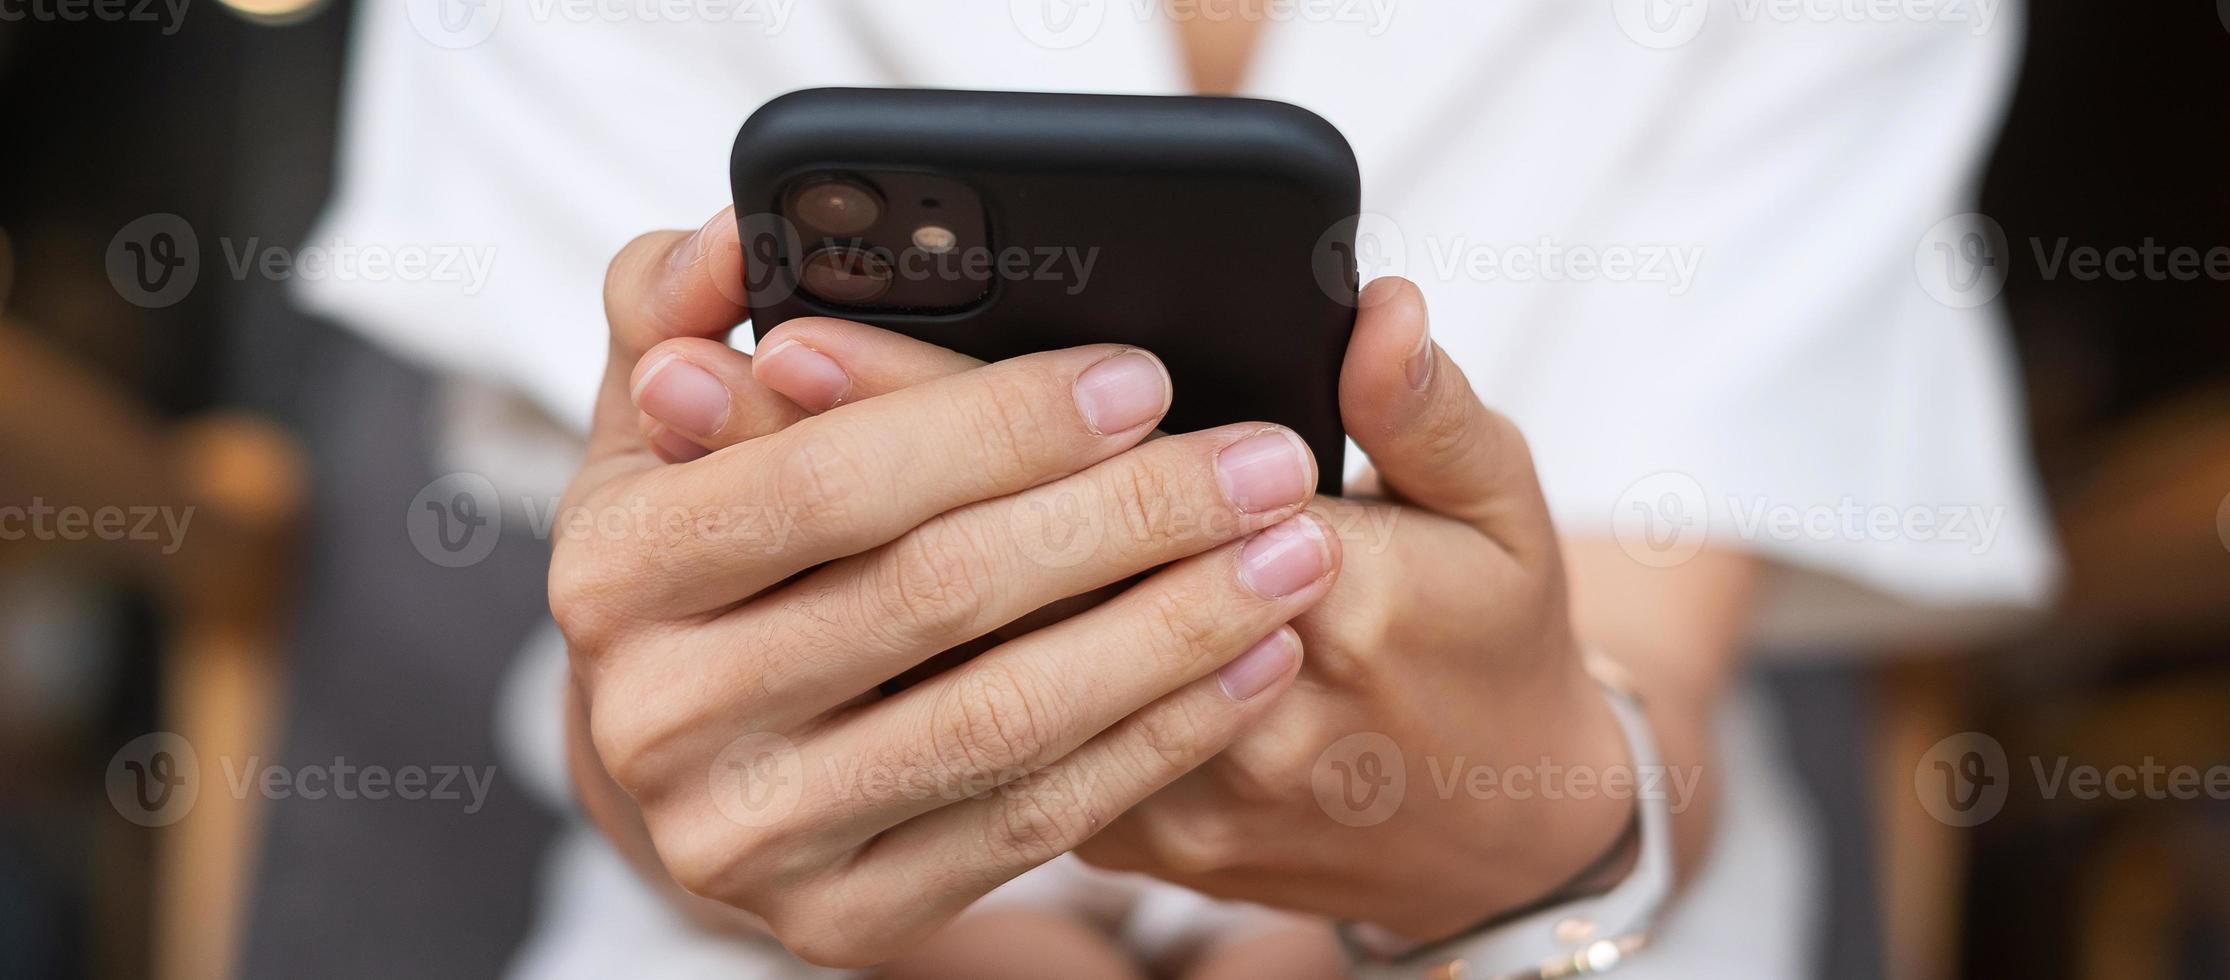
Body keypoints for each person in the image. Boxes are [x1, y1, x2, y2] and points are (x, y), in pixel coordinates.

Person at [296, 2, 2055, 976]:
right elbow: (677, 665)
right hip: (788, 936)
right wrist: (688, 750)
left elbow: (1642, 657)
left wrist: (1530, 835)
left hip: (1549, 919)